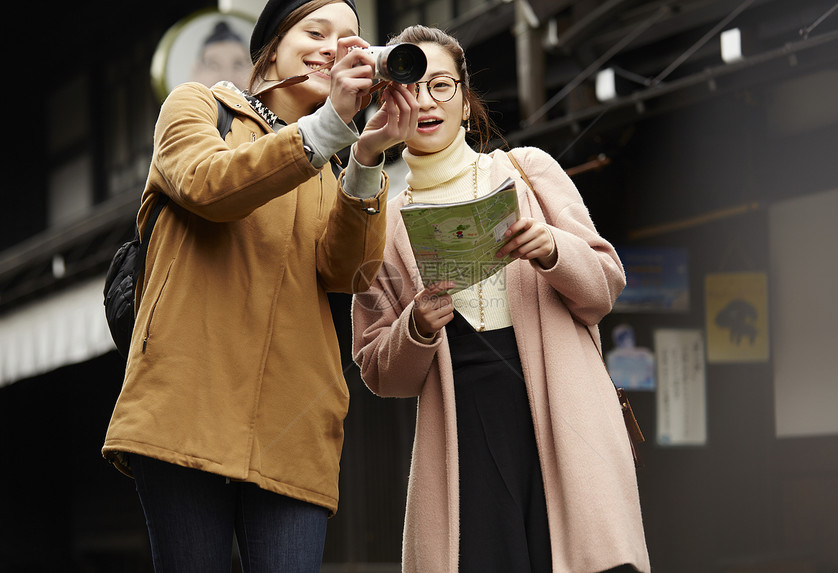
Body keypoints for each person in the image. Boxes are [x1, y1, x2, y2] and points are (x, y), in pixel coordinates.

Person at [102, 0, 418, 571]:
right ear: (271, 48)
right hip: (186, 409)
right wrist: (328, 130)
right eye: (315, 32)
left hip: (294, 426)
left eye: (349, 39)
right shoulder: (198, 106)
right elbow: (208, 186)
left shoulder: (328, 166)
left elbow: (350, 273)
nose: (334, 47)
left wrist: (366, 155)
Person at [351, 25, 650, 573]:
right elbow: (376, 368)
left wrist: (552, 249)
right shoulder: (383, 217)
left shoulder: (526, 171)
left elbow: (605, 286)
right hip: (461, 422)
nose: (425, 101)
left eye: (441, 85)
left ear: (465, 102)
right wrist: (415, 327)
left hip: (562, 407)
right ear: (387, 105)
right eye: (409, 87)